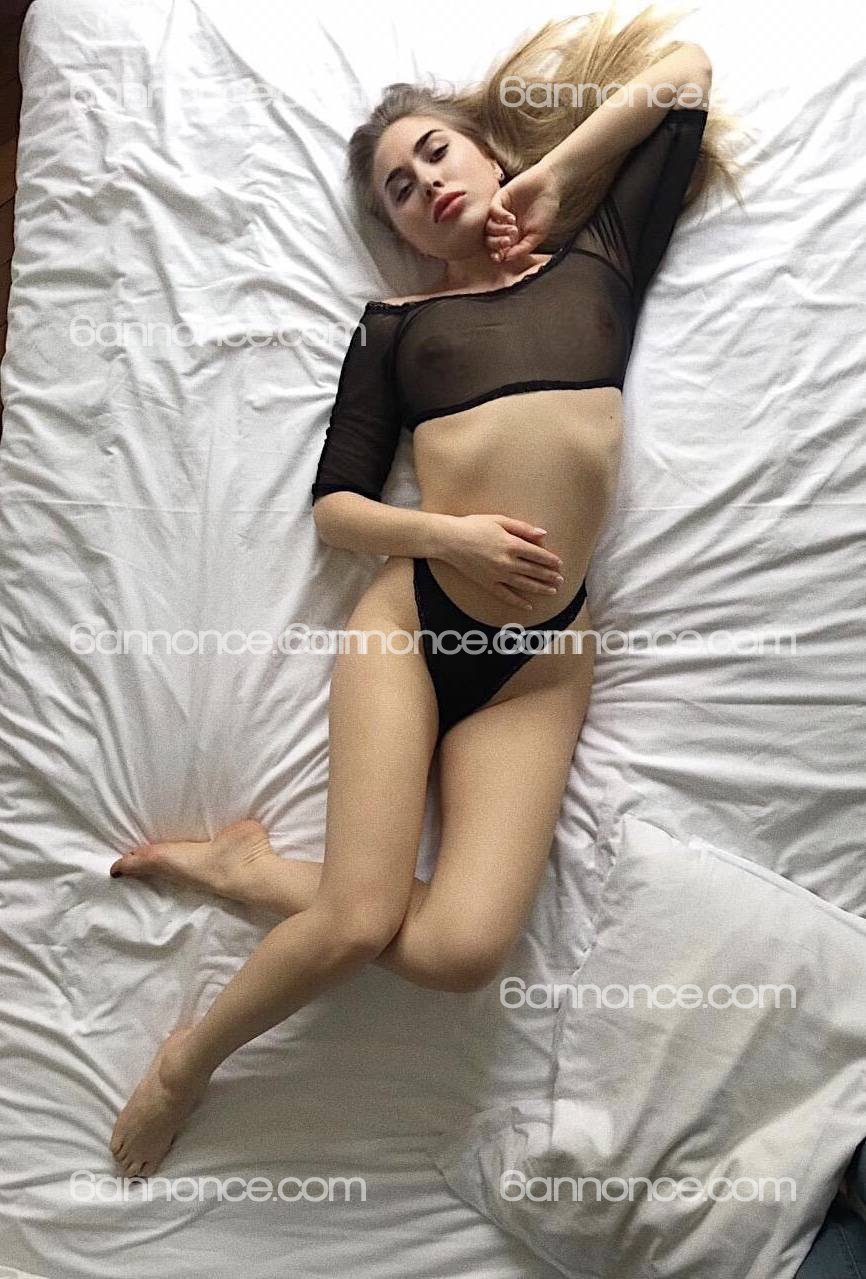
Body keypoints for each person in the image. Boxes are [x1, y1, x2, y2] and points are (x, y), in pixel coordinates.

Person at [106, 6, 736, 1178]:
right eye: (398, 188)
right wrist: (449, 532)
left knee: (454, 952)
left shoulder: (600, 258)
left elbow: (683, 74)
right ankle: (186, 1064)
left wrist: (552, 178)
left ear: (484, 152)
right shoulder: (397, 324)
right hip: (411, 625)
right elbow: (336, 510)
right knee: (357, 923)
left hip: (536, 663)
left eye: (436, 151)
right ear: (392, 229)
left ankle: (253, 874)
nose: (424, 182)